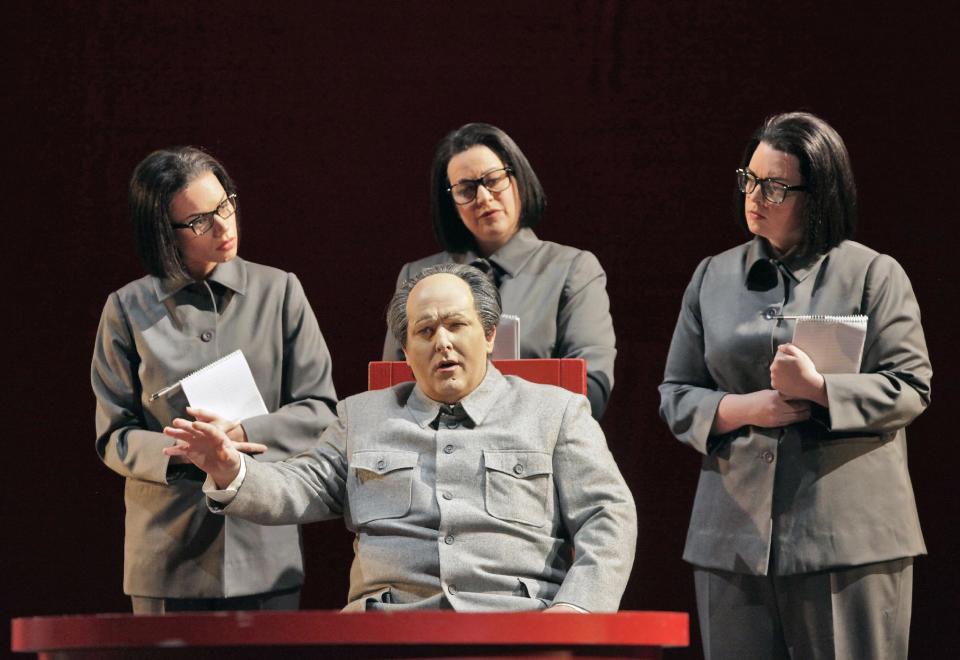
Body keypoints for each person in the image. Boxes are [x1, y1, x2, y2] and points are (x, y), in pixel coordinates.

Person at [165, 263, 637, 612]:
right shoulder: (362, 416)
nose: (443, 342)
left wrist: (577, 614)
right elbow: (297, 488)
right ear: (407, 349)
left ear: (489, 335)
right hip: (386, 633)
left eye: (457, 325)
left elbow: (608, 515)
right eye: (425, 331)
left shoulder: (555, 411)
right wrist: (230, 469)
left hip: (518, 626)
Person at [659, 112, 931, 659]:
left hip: (845, 539)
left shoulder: (873, 275)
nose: (755, 196)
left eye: (776, 186)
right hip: (733, 541)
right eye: (749, 180)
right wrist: (742, 408)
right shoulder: (712, 277)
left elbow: (910, 386)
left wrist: (821, 388)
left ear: (819, 194)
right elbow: (676, 393)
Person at [91, 146, 338, 614]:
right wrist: (184, 451)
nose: (225, 226)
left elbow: (320, 410)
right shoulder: (126, 309)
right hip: (167, 552)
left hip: (264, 544)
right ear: (165, 232)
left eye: (225, 205)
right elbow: (113, 435)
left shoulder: (280, 291)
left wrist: (241, 434)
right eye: (201, 220)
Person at [382, 123, 616, 420]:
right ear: (450, 203)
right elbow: (391, 389)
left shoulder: (572, 269)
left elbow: (592, 388)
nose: (483, 197)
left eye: (493, 180)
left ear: (517, 178)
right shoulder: (418, 278)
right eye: (466, 189)